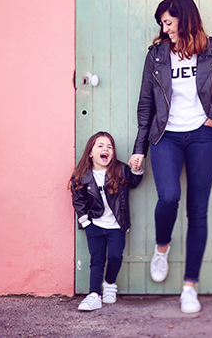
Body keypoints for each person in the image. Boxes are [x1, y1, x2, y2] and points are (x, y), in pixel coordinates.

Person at [128, 0, 212, 313]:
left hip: (203, 137)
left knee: (198, 211)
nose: (165, 29)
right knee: (168, 197)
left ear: (184, 17)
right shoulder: (157, 55)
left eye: (168, 21)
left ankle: (189, 287)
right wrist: (140, 148)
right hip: (166, 136)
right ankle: (161, 247)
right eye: (162, 24)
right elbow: (147, 104)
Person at [69, 131, 144, 311]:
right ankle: (94, 294)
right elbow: (78, 200)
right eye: (100, 146)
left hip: (116, 225)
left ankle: (109, 284)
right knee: (97, 259)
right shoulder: (82, 176)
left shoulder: (120, 169)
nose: (106, 149)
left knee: (115, 257)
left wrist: (136, 168)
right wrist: (86, 223)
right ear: (90, 152)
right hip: (94, 224)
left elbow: (134, 181)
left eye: (109, 147)